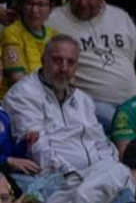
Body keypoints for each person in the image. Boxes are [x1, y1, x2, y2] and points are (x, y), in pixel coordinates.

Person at [3, 35, 116, 178]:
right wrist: (73, 175)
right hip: (54, 180)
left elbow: (101, 143)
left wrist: (108, 170)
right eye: (57, 60)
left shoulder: (82, 99)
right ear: (43, 60)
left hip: (95, 176)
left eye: (71, 62)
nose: (64, 68)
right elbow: (38, 151)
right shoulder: (23, 95)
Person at [1, 0, 55, 92]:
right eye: (29, 3)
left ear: (50, 8)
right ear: (21, 5)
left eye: (41, 4)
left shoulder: (55, 37)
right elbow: (17, 82)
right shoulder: (12, 33)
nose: (34, 10)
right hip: (20, 99)